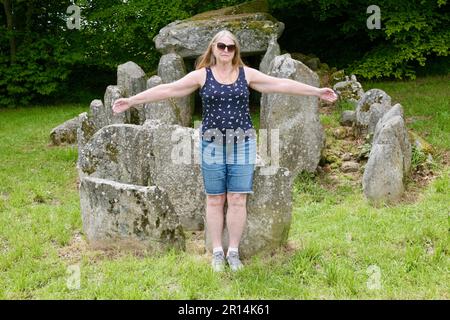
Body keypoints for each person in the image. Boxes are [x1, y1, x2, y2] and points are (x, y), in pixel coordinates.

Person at [112, 30, 337, 272]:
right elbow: (168, 89)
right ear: (213, 48)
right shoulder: (202, 76)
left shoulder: (246, 74)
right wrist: (132, 101)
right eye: (222, 46)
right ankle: (217, 252)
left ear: (236, 51)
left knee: (238, 198)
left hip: (243, 144)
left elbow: (280, 84)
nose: (226, 50)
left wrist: (316, 92)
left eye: (231, 47)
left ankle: (234, 252)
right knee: (215, 198)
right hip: (212, 144)